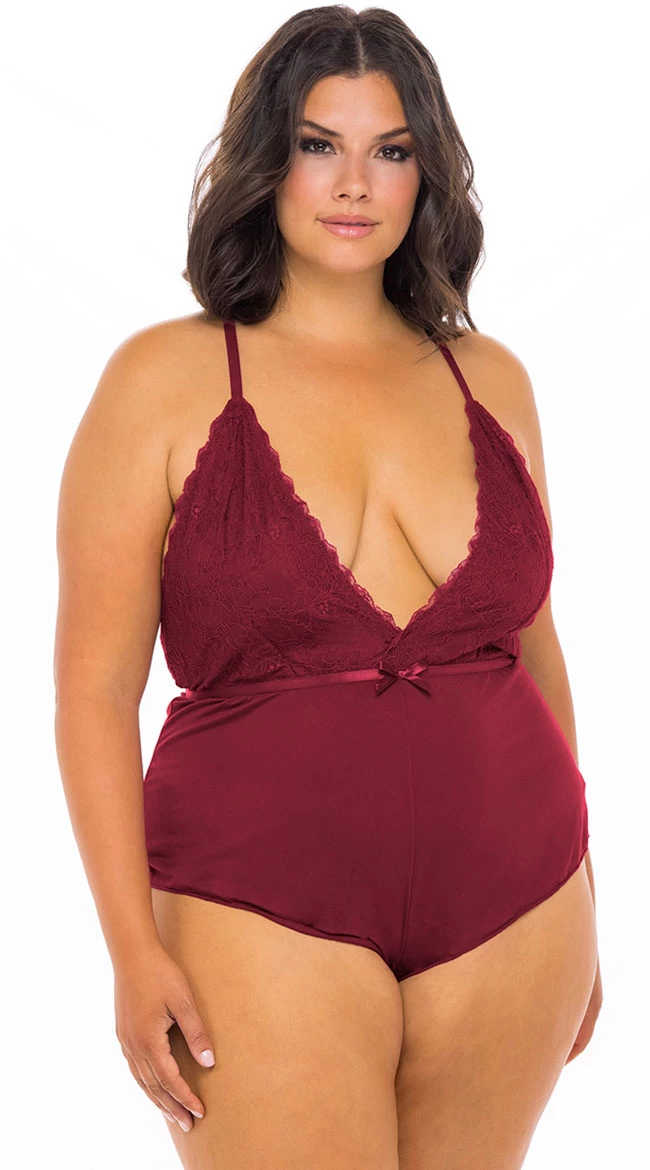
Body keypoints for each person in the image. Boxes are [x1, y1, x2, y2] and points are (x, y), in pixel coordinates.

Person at [54, 7, 602, 1168]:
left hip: (518, 906)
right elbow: (93, 689)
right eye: (319, 144)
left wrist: (584, 890)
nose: (354, 183)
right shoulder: (164, 378)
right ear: (268, 162)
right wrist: (130, 951)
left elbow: (534, 646)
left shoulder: (490, 379)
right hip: (253, 902)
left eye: (389, 150)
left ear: (424, 173)